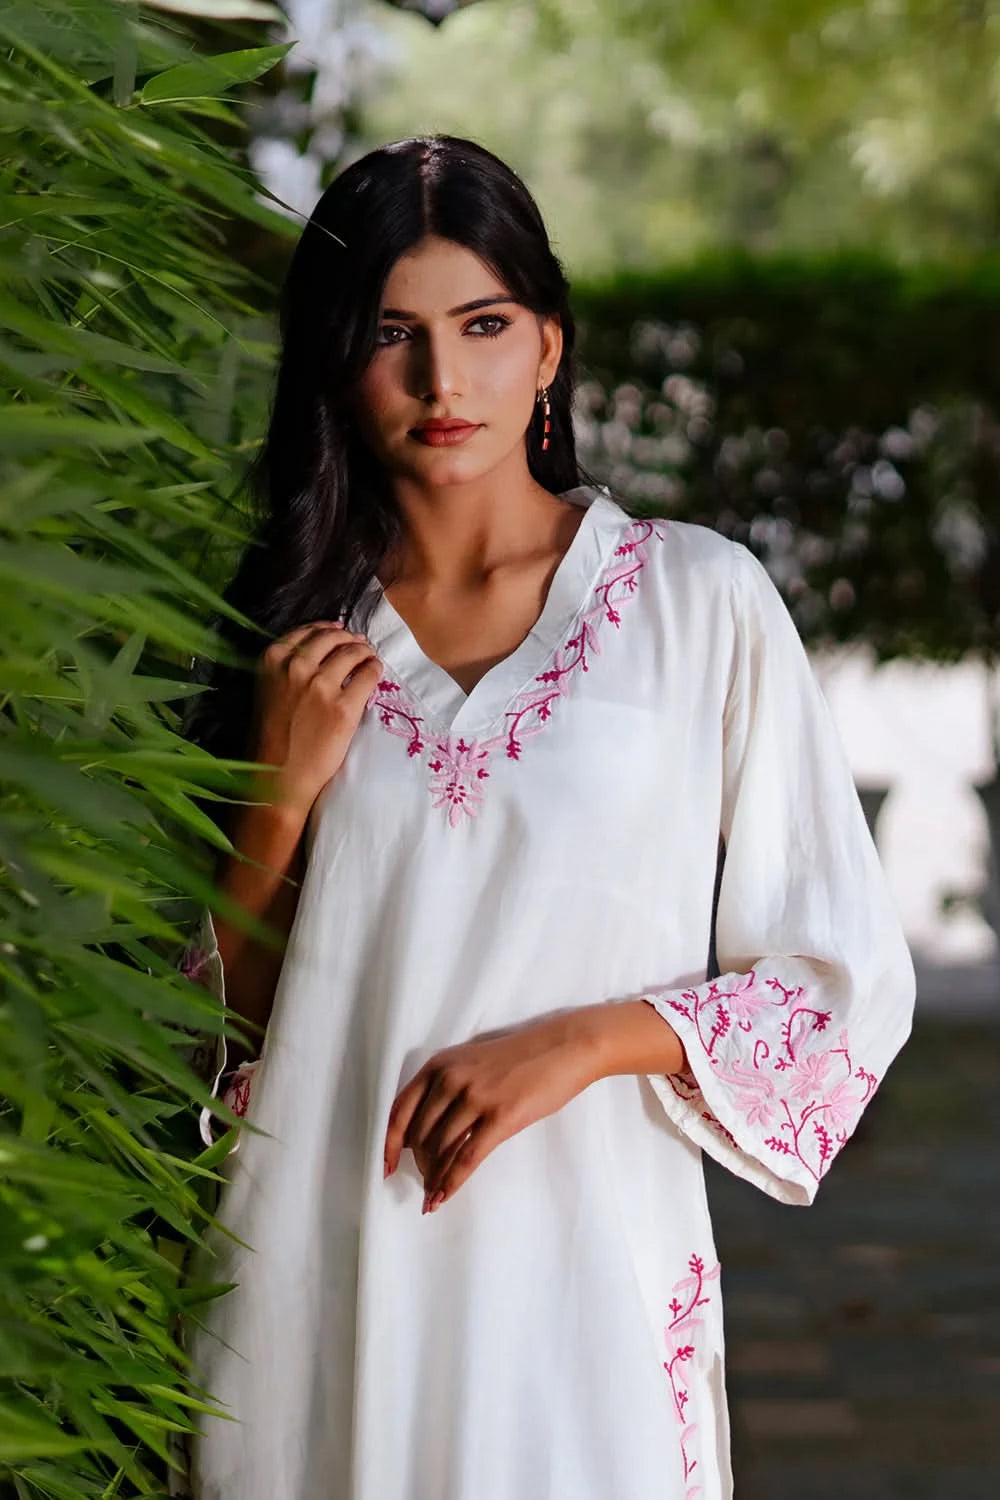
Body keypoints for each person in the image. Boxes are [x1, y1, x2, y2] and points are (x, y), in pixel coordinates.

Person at [171, 134, 915, 1500]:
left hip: (585, 1278)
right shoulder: (288, 635)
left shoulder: (697, 604)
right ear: (336, 357)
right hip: (322, 1281)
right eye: (392, 334)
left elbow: (837, 984)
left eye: (484, 325)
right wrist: (276, 798)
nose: (443, 382)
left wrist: (582, 1043)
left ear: (550, 346)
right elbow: (214, 1042)